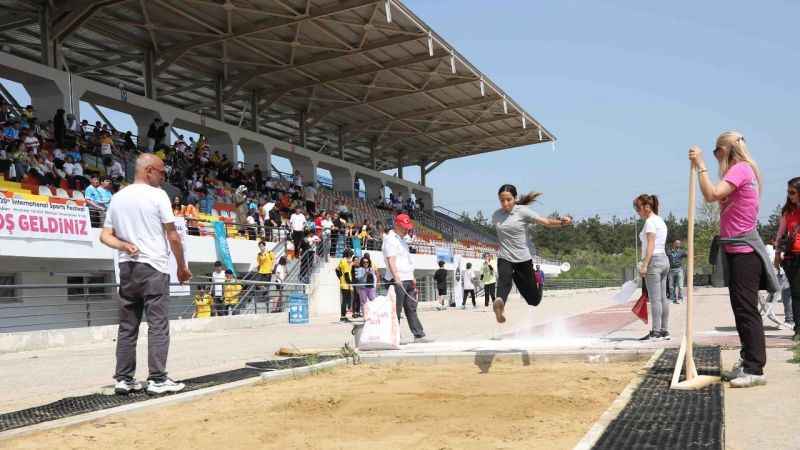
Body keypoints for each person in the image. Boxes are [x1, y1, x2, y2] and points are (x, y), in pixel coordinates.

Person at [99, 153, 191, 395]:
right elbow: (173, 235)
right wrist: (182, 267)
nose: (164, 176)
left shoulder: (118, 198)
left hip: (128, 268)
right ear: (149, 170)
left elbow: (105, 235)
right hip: (153, 268)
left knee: (128, 326)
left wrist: (123, 246)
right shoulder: (157, 195)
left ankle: (124, 379)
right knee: (158, 324)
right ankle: (158, 379)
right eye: (161, 172)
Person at [690, 131, 775, 388]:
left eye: (716, 152)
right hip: (735, 249)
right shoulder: (742, 171)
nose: (715, 158)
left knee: (746, 310)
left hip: (744, 251)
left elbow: (711, 194)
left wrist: (700, 166)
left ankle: (755, 368)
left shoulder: (740, 169)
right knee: (742, 309)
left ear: (725, 150)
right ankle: (748, 360)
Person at [490, 185, 572, 323]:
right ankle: (499, 305)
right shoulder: (496, 215)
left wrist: (562, 223)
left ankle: (538, 286)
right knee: (504, 280)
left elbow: (545, 222)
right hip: (505, 256)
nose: (505, 204)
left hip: (523, 259)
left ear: (515, 198)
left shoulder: (523, 212)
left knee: (533, 300)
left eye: (508, 200)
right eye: (502, 201)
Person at [382, 213, 431, 342]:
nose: (406, 229)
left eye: (407, 227)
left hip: (408, 277)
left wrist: (412, 276)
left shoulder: (402, 240)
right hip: (397, 279)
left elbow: (407, 260)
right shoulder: (390, 239)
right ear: (396, 225)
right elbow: (391, 260)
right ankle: (394, 336)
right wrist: (396, 277)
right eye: (404, 227)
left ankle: (418, 334)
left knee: (411, 307)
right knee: (396, 310)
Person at [634, 194, 670, 342]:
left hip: (654, 261)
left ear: (646, 207)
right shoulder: (660, 220)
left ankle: (655, 332)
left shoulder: (650, 222)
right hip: (664, 259)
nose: (637, 211)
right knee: (663, 298)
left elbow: (650, 245)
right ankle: (664, 330)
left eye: (638, 207)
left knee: (655, 299)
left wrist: (644, 265)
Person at [774, 177, 800, 337]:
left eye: (792, 192)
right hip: (792, 257)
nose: (789, 195)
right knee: (796, 293)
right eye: (788, 192)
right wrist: (777, 254)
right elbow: (780, 233)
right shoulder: (788, 212)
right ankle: (798, 329)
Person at [667, 240, 688, 304]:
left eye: (679, 243)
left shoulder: (681, 252)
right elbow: (666, 257)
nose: (678, 244)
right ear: (674, 244)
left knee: (680, 286)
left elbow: (688, 254)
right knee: (671, 286)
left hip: (679, 269)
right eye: (676, 243)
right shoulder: (669, 252)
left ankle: (680, 298)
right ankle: (672, 298)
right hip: (671, 270)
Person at [337, 249, 353, 322]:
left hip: (342, 283)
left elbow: (337, 270)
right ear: (349, 255)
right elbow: (346, 275)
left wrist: (340, 278)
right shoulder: (345, 262)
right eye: (351, 255)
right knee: (345, 301)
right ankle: (343, 317)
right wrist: (350, 284)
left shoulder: (341, 260)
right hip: (346, 284)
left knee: (344, 300)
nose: (351, 257)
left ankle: (343, 316)